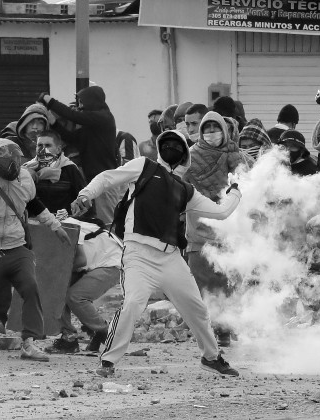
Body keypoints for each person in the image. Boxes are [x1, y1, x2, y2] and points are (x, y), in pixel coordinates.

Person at [70, 130, 242, 378]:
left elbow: (222, 212)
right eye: (167, 143)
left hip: (171, 258)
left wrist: (235, 190)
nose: (171, 146)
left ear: (184, 156)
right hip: (138, 254)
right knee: (132, 304)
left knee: (197, 309)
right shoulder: (144, 166)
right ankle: (108, 361)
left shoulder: (186, 189)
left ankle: (211, 357)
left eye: (177, 145)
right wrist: (86, 193)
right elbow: (107, 178)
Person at [0, 138, 71, 361]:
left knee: (30, 288)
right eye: (6, 162)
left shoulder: (25, 178)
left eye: (16, 161)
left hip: (16, 245)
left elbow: (32, 203)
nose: (12, 167)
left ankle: (29, 343)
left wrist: (54, 225)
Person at [183, 111, 241, 346]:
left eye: (214, 129)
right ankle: (208, 331)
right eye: (206, 129)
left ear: (224, 131)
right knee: (201, 284)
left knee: (224, 284)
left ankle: (224, 329)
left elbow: (246, 185)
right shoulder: (190, 157)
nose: (210, 134)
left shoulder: (236, 156)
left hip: (229, 229)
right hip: (198, 228)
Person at [38, 86, 119, 225]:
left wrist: (49, 100)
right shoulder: (93, 126)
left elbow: (73, 115)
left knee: (106, 223)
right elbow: (71, 138)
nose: (80, 107)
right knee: (94, 223)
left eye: (82, 102)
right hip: (92, 179)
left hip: (104, 179)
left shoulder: (104, 117)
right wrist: (54, 123)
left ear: (92, 101)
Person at [44, 217, 122, 354]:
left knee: (75, 296)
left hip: (111, 262)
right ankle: (69, 338)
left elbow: (81, 260)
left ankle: (106, 333)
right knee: (58, 290)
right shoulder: (52, 226)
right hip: (93, 264)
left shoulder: (67, 226)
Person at [22, 130, 86, 214]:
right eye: (39, 145)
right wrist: (24, 173)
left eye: (48, 145)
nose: (43, 149)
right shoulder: (26, 169)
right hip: (33, 222)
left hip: (63, 222)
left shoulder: (70, 169)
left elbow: (84, 196)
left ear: (58, 149)